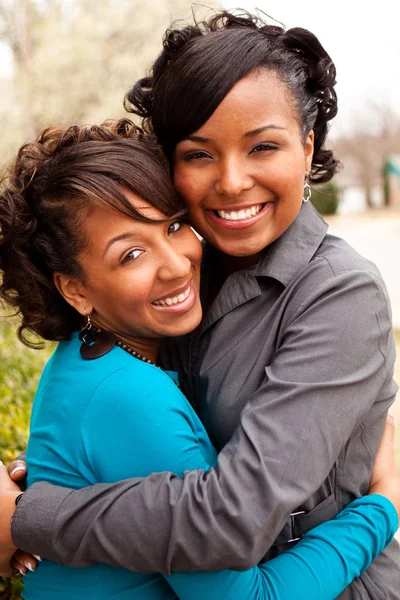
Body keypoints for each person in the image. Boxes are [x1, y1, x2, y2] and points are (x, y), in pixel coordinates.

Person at [1, 10, 399, 599]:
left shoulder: (341, 294)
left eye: (263, 146)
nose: (233, 182)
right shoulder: (187, 266)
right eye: (198, 154)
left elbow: (230, 519)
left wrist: (29, 517)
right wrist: (80, 473)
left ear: (307, 146)